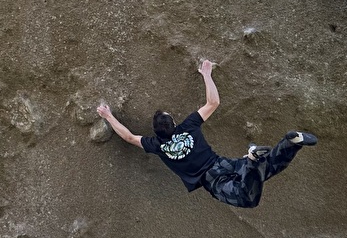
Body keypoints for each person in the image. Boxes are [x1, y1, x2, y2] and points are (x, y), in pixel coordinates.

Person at [96, 59, 316, 208]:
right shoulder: (189, 126)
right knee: (269, 168)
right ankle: (292, 142)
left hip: (212, 180)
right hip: (225, 164)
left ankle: (252, 159)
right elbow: (213, 102)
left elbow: (128, 137)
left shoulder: (157, 146)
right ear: (173, 122)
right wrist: (206, 73)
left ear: (157, 132)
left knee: (247, 199)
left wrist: (108, 116)